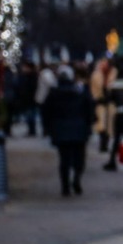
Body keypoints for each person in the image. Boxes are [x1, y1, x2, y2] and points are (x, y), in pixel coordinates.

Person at [42, 64, 96, 197]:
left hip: (61, 130)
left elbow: (47, 112)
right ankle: (77, 178)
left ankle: (65, 186)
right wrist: (89, 124)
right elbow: (89, 109)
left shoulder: (53, 93)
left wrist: (49, 128)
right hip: (79, 129)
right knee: (79, 158)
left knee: (64, 159)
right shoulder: (80, 91)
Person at [88, 57, 118, 153]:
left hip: (110, 103)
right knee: (101, 125)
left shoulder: (114, 73)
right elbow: (93, 89)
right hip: (100, 103)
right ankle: (102, 143)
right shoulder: (96, 75)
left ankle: (105, 143)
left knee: (109, 125)